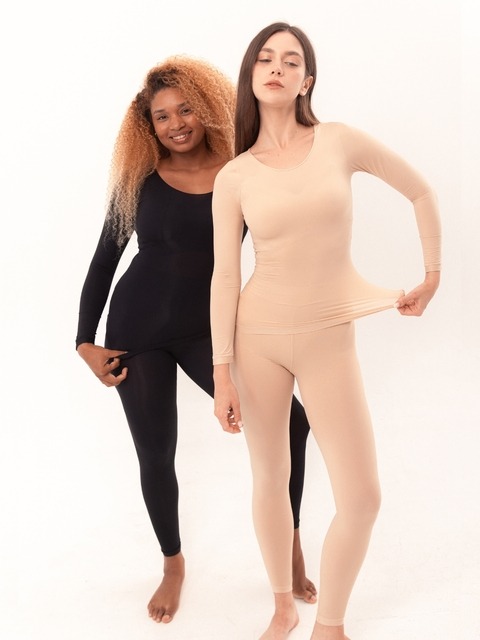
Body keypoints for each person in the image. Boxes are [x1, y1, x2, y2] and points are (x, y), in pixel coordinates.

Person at [211, 22, 441, 640]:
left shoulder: (338, 141)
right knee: (270, 480)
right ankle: (283, 607)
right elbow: (225, 277)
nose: (277, 67)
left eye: (291, 61)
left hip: (328, 337)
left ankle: (329, 626)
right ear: (251, 75)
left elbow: (420, 191)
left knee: (362, 498)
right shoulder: (235, 176)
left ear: (306, 80)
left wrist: (432, 274)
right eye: (266, 58)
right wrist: (222, 370)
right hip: (257, 339)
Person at [75, 55, 316, 625]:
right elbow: (105, 259)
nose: (176, 124)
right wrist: (84, 341)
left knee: (293, 422)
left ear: (205, 108)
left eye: (185, 109)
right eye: (161, 117)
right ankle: (173, 563)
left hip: (208, 329)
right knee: (157, 452)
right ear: (148, 127)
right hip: (137, 330)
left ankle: (290, 546)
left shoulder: (242, 170)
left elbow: (281, 244)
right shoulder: (139, 181)